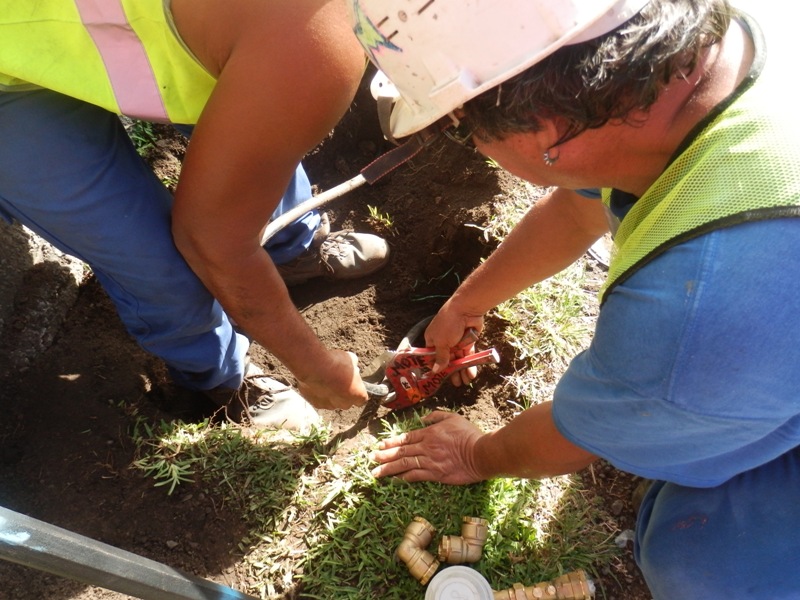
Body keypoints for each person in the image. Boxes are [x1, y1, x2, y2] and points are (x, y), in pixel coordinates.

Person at [351, 0, 800, 597]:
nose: (471, 146)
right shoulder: (700, 69)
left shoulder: (696, 310)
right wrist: (465, 302)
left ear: (543, 128)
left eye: (460, 128)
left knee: (695, 560)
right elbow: (579, 205)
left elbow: (579, 434)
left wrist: (477, 455)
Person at [0, 0, 390, 430]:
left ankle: (291, 245)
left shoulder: (317, 34)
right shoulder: (321, 39)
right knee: (154, 260)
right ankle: (217, 377)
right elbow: (210, 240)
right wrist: (316, 368)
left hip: (108, 28)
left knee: (265, 122)